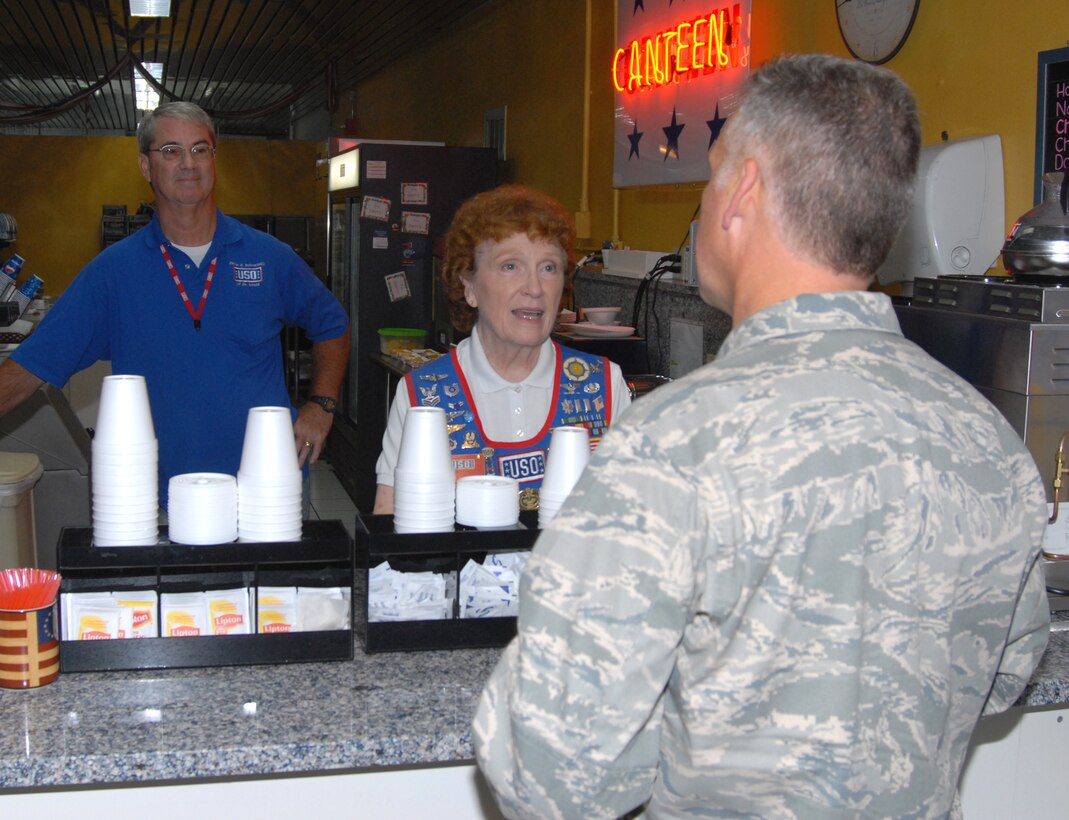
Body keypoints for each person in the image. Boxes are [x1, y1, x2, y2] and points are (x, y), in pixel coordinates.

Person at [473, 54, 1050, 818]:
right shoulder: (987, 438)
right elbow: (1004, 672)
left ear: (741, 190)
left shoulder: (671, 446)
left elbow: (550, 768)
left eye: (710, 179)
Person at [0, 101, 349, 505]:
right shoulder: (112, 274)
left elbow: (332, 323)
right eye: (171, 151)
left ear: (214, 160)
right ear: (146, 167)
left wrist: (321, 404)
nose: (188, 163)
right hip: (160, 498)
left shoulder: (268, 257)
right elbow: (29, 368)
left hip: (267, 489)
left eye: (200, 149)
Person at [373, 184, 631, 513]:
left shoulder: (604, 386)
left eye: (548, 267)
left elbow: (635, 518)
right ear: (469, 286)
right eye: (511, 266)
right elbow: (391, 520)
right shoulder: (422, 396)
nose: (535, 288)